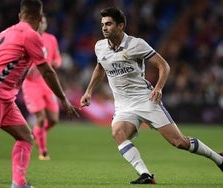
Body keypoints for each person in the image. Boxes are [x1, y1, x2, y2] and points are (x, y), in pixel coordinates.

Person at [80, 7, 223, 184]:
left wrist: (159, 88)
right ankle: (145, 174)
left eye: (108, 24)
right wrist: (89, 91)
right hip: (123, 105)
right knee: (118, 133)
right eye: (102, 24)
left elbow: (164, 66)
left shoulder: (136, 44)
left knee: (179, 142)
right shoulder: (100, 47)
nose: (104, 28)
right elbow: (100, 67)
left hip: (146, 100)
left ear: (121, 26)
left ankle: (220, 159)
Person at [0, 0, 79, 188]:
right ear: (39, 19)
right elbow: (47, 71)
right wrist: (63, 99)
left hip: (4, 97)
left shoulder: (6, 32)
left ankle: (18, 183)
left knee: (26, 137)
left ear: (20, 16)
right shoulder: (32, 35)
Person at [21, 15, 62, 160]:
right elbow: (20, 60)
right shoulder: (27, 38)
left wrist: (56, 63)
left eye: (43, 22)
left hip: (47, 83)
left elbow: (57, 57)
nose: (41, 24)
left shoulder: (51, 39)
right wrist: (28, 68)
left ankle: (36, 134)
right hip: (31, 84)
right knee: (41, 118)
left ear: (46, 24)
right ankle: (43, 152)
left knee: (53, 119)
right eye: (39, 22)